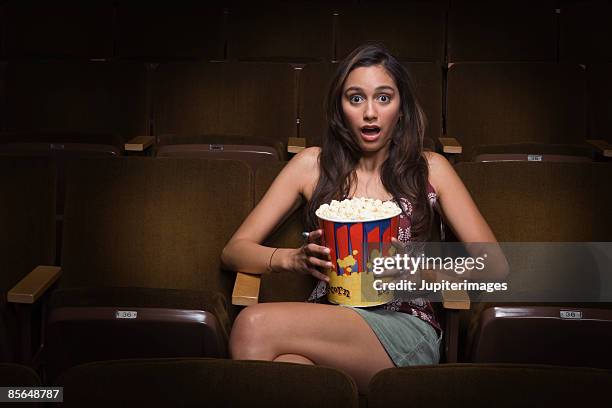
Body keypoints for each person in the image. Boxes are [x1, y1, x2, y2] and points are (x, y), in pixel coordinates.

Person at [221, 43, 498, 392]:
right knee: (289, 374)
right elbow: (234, 250)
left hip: (405, 326)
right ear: (341, 107)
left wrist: (417, 269)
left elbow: (496, 266)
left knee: (251, 325)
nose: (370, 112)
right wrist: (291, 259)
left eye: (384, 98)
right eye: (356, 98)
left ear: (401, 108)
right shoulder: (311, 165)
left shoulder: (431, 169)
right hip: (325, 319)